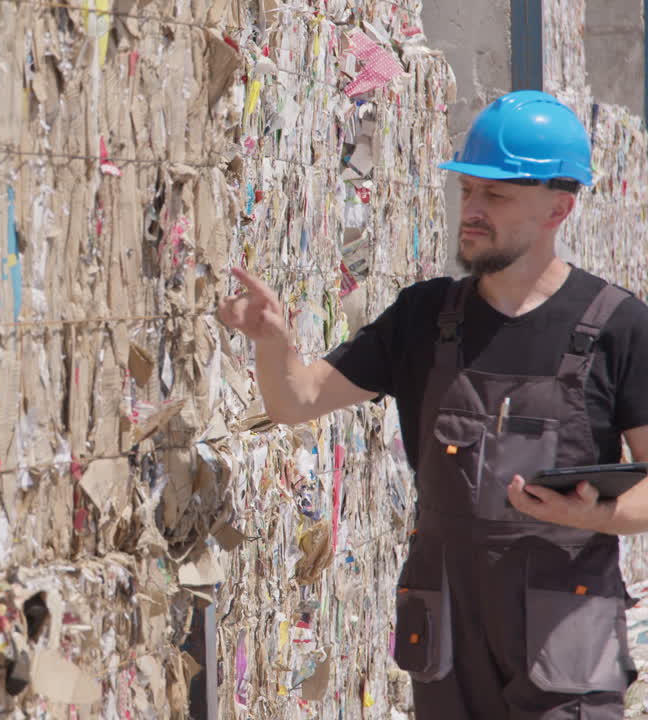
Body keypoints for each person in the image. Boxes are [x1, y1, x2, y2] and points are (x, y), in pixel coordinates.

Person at [218, 89, 648, 719]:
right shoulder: (423, 317)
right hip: (449, 639)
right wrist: (272, 341)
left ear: (560, 205)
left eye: (495, 196)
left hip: (567, 645)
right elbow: (297, 400)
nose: (471, 210)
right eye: (468, 191)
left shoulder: (618, 325)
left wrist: (595, 515)